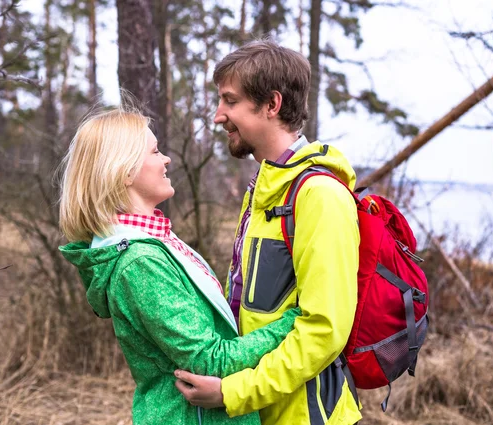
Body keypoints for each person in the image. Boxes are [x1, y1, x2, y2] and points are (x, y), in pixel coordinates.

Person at [57, 105, 300, 425]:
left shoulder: (157, 244)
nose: (166, 159)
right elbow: (209, 360)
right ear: (124, 170)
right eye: (155, 151)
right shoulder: (140, 265)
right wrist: (296, 319)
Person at [175, 40, 362, 425]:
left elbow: (324, 331)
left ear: (272, 105)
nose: (217, 115)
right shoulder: (263, 188)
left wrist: (233, 392)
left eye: (230, 101)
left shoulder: (319, 196)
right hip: (259, 413)